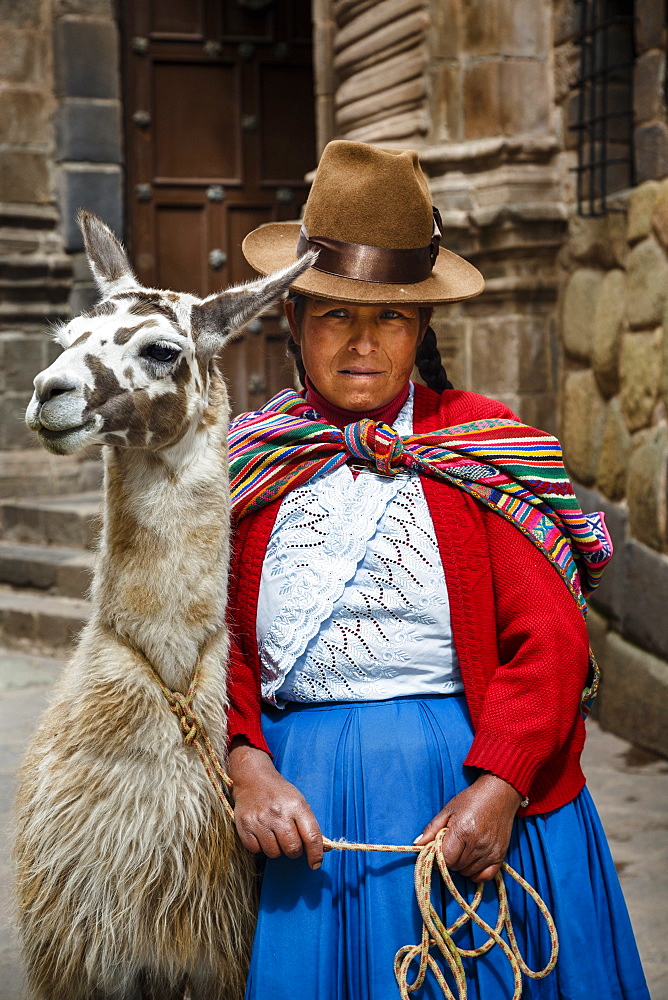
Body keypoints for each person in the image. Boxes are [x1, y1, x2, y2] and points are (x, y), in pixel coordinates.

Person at [224, 140, 649, 1000]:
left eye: (390, 319)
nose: (362, 344)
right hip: (295, 817)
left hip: (461, 796)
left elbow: (553, 641)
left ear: (421, 329)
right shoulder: (250, 464)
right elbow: (211, 641)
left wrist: (500, 786)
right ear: (295, 318)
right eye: (336, 314)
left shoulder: (481, 448)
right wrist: (245, 763)